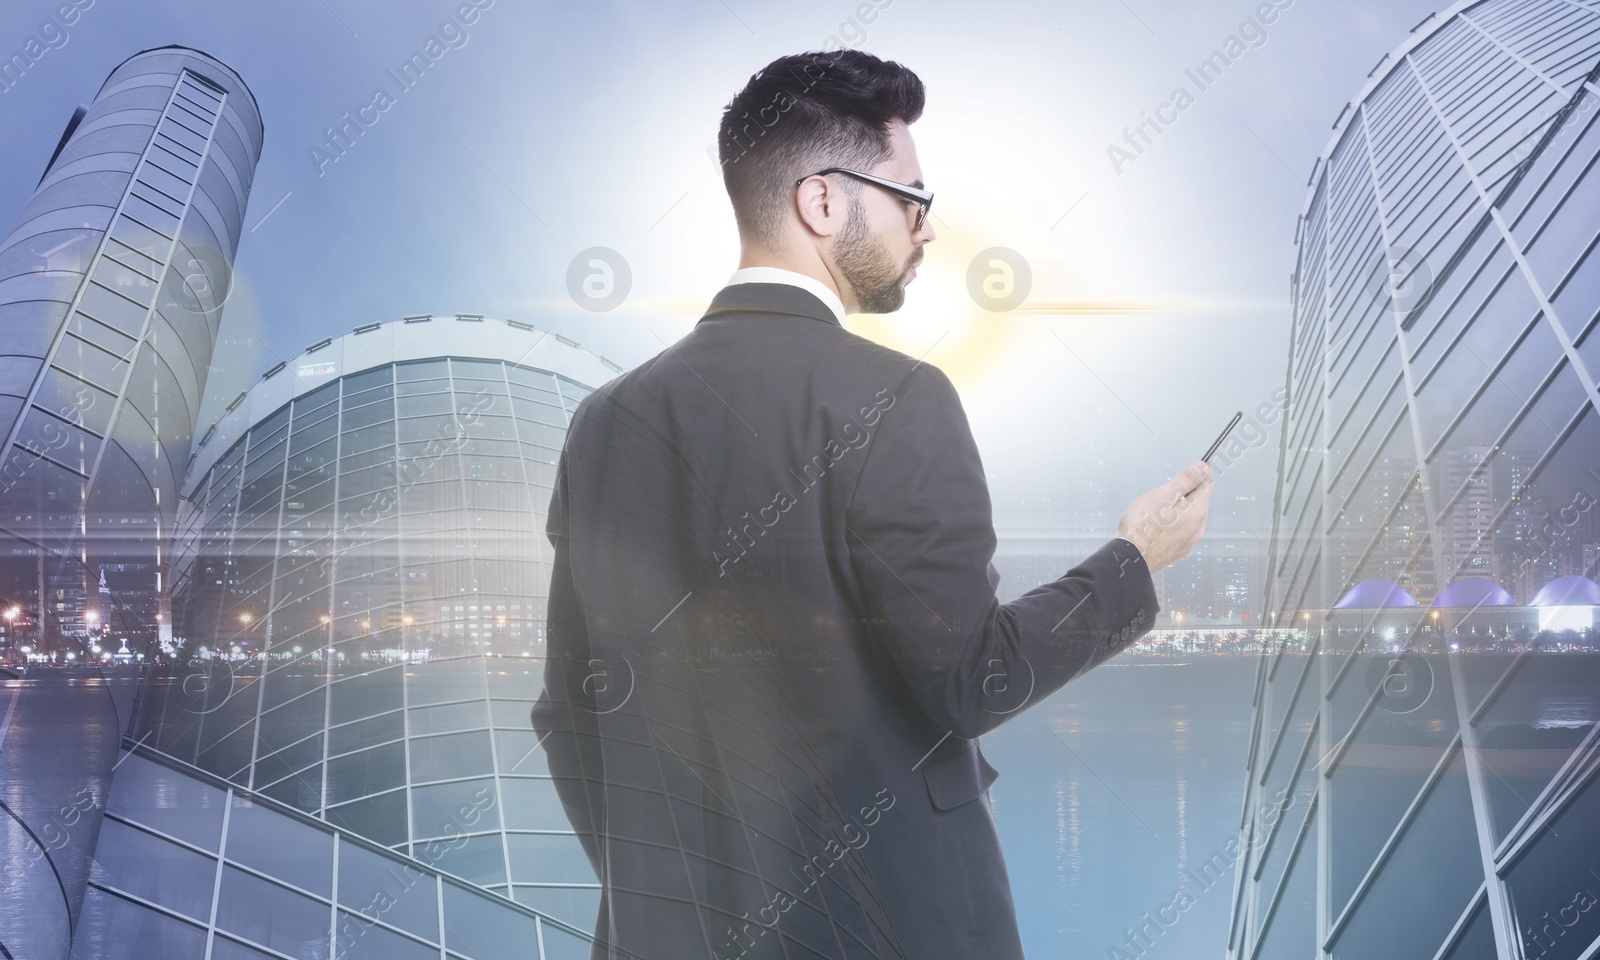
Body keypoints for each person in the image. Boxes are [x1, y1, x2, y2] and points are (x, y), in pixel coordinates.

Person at [531, 48, 1213, 960]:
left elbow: (568, 713)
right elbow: (975, 678)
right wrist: (1133, 560)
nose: (925, 229)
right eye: (911, 197)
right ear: (823, 201)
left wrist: (663, 893)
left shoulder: (602, 424)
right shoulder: (896, 396)